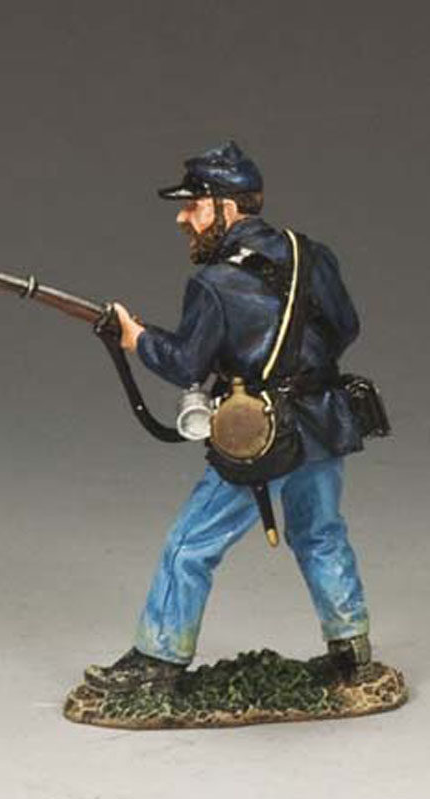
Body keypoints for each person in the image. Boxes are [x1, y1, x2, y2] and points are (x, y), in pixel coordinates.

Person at [85, 141, 372, 690]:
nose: (182, 218)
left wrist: (135, 337)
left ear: (227, 207)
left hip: (262, 433)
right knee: (321, 535)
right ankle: (352, 652)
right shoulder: (312, 254)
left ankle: (158, 660)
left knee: (190, 545)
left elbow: (185, 364)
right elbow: (346, 327)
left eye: (193, 205)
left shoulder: (213, 283)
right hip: (323, 421)